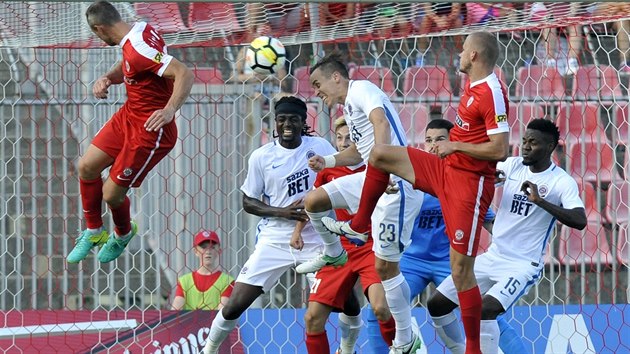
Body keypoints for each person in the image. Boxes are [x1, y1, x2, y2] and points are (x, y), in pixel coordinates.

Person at [325, 32, 510, 354]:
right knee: (381, 154)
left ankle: (474, 349)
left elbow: (500, 148)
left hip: (468, 184)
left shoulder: (491, 91)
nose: (460, 53)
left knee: (461, 270)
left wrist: (454, 144)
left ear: (476, 56)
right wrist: (450, 149)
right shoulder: (472, 87)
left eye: (465, 49)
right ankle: (358, 224)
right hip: (445, 169)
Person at [295, 52, 424, 354]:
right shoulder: (350, 109)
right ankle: (333, 252)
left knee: (386, 275)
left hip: (396, 182)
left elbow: (381, 124)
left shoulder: (363, 90)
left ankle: (406, 339)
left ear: (336, 77)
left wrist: (384, 165)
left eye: (317, 83)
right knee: (314, 200)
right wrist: (326, 160)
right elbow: (358, 152)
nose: (316, 91)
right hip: (373, 176)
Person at [365, 119, 527, 354]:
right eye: (428, 140)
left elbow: (488, 221)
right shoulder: (413, 176)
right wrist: (386, 192)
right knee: (379, 307)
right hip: (412, 262)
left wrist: (514, 250)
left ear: (453, 142)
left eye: (440, 139)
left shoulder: (464, 180)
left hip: (450, 261)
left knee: (485, 313)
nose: (432, 145)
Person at [427, 118, 587, 353]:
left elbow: (580, 220)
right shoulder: (513, 166)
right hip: (493, 256)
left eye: (533, 142)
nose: (525, 146)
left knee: (485, 310)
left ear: (550, 146)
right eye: (524, 141)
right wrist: (486, 177)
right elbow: (482, 172)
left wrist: (540, 201)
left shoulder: (561, 182)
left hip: (521, 265)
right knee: (436, 304)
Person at [201, 96, 337, 354]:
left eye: (293, 119)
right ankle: (208, 350)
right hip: (274, 238)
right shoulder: (262, 157)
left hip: (316, 238)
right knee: (234, 305)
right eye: (282, 119)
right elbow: (248, 201)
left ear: (303, 122)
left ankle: (349, 346)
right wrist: (282, 212)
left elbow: (337, 176)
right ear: (275, 122)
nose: (287, 124)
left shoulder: (319, 146)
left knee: (346, 302)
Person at [67, 1, 194, 264]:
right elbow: (130, 63)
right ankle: (93, 231)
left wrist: (170, 110)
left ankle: (123, 233)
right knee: (87, 166)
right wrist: (109, 78)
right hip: (129, 115)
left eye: (96, 35)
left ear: (100, 28)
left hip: (150, 129)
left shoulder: (138, 49)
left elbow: (184, 73)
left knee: (111, 194)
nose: (99, 39)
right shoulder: (140, 30)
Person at [300, 117, 396, 354]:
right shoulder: (328, 170)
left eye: (350, 138)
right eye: (339, 138)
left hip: (372, 246)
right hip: (341, 247)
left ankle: (402, 347)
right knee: (313, 318)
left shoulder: (379, 168)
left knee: (381, 308)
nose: (343, 143)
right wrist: (297, 231)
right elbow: (313, 204)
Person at [171, 230, 234, 310]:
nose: (208, 251)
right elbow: (174, 312)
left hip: (211, 323)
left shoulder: (228, 282)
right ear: (196, 251)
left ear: (219, 251)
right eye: (204, 247)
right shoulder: (184, 282)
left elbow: (221, 314)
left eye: (212, 247)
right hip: (191, 323)